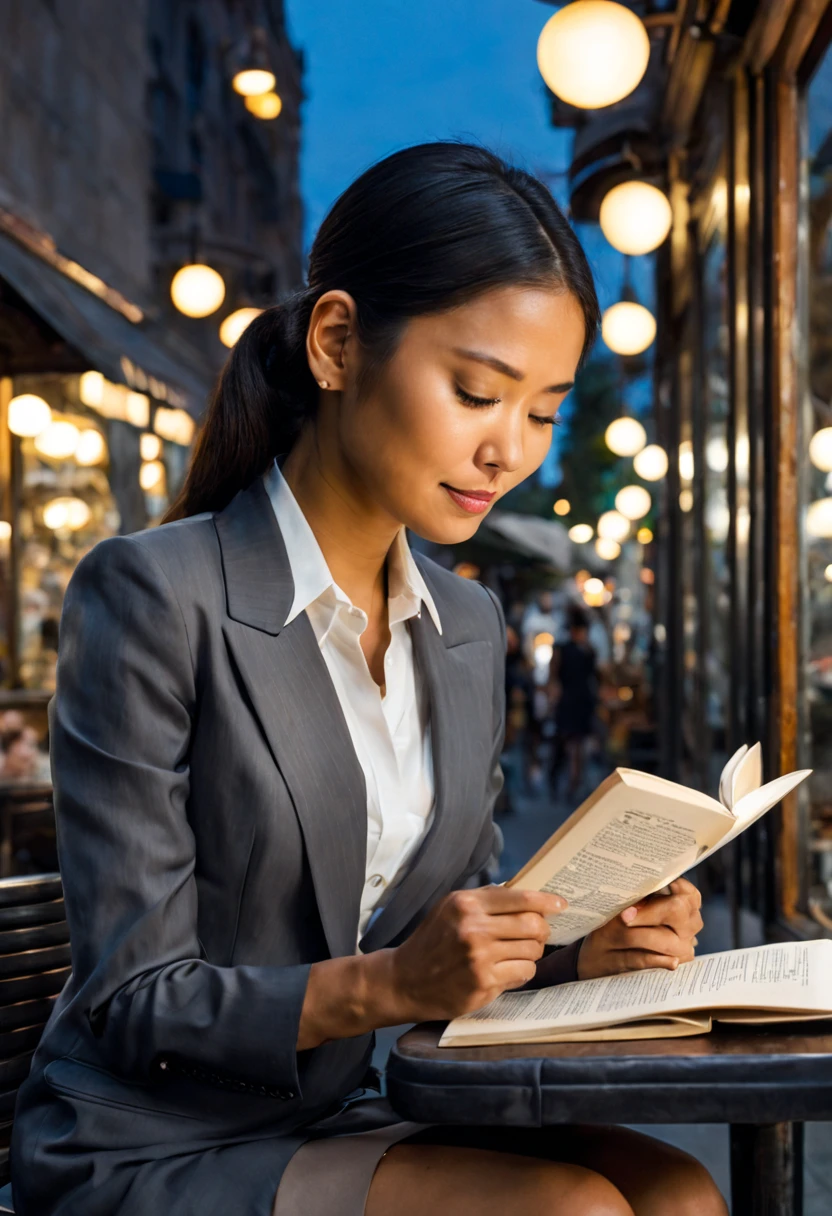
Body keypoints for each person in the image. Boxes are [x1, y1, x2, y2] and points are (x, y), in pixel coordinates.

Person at [11, 142, 725, 1216]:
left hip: (343, 1107)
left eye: (541, 413)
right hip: (146, 1138)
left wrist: (583, 955)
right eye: (477, 391)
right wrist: (393, 985)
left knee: (675, 1189)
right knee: (574, 1211)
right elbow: (132, 1001)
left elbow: (440, 924)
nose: (507, 452)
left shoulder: (468, 623)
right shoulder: (153, 595)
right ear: (338, 342)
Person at [549, 603, 601, 797]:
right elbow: (554, 676)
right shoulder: (568, 650)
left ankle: (574, 779)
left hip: (579, 699)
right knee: (569, 742)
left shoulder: (586, 651)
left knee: (574, 742)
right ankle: (570, 778)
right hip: (572, 699)